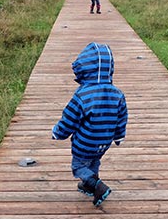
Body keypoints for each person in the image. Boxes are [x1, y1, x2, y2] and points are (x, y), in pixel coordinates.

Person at [52, 42, 128, 207]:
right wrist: (119, 135)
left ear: (85, 68)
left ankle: (97, 185)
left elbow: (70, 119)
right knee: (94, 161)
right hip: (104, 142)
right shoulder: (118, 94)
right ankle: (88, 185)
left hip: (85, 142)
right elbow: (122, 117)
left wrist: (58, 132)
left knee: (78, 166)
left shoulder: (82, 95)